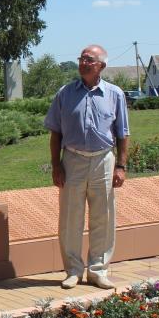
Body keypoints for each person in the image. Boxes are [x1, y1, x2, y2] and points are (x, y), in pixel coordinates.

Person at [44, 45, 130, 290]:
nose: (83, 63)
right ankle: (73, 271)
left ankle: (98, 270)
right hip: (72, 160)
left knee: (103, 217)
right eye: (81, 58)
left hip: (104, 160)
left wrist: (121, 166)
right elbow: (55, 133)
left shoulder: (115, 94)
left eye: (88, 60)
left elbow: (123, 133)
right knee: (71, 218)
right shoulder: (65, 93)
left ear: (101, 65)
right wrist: (56, 165)